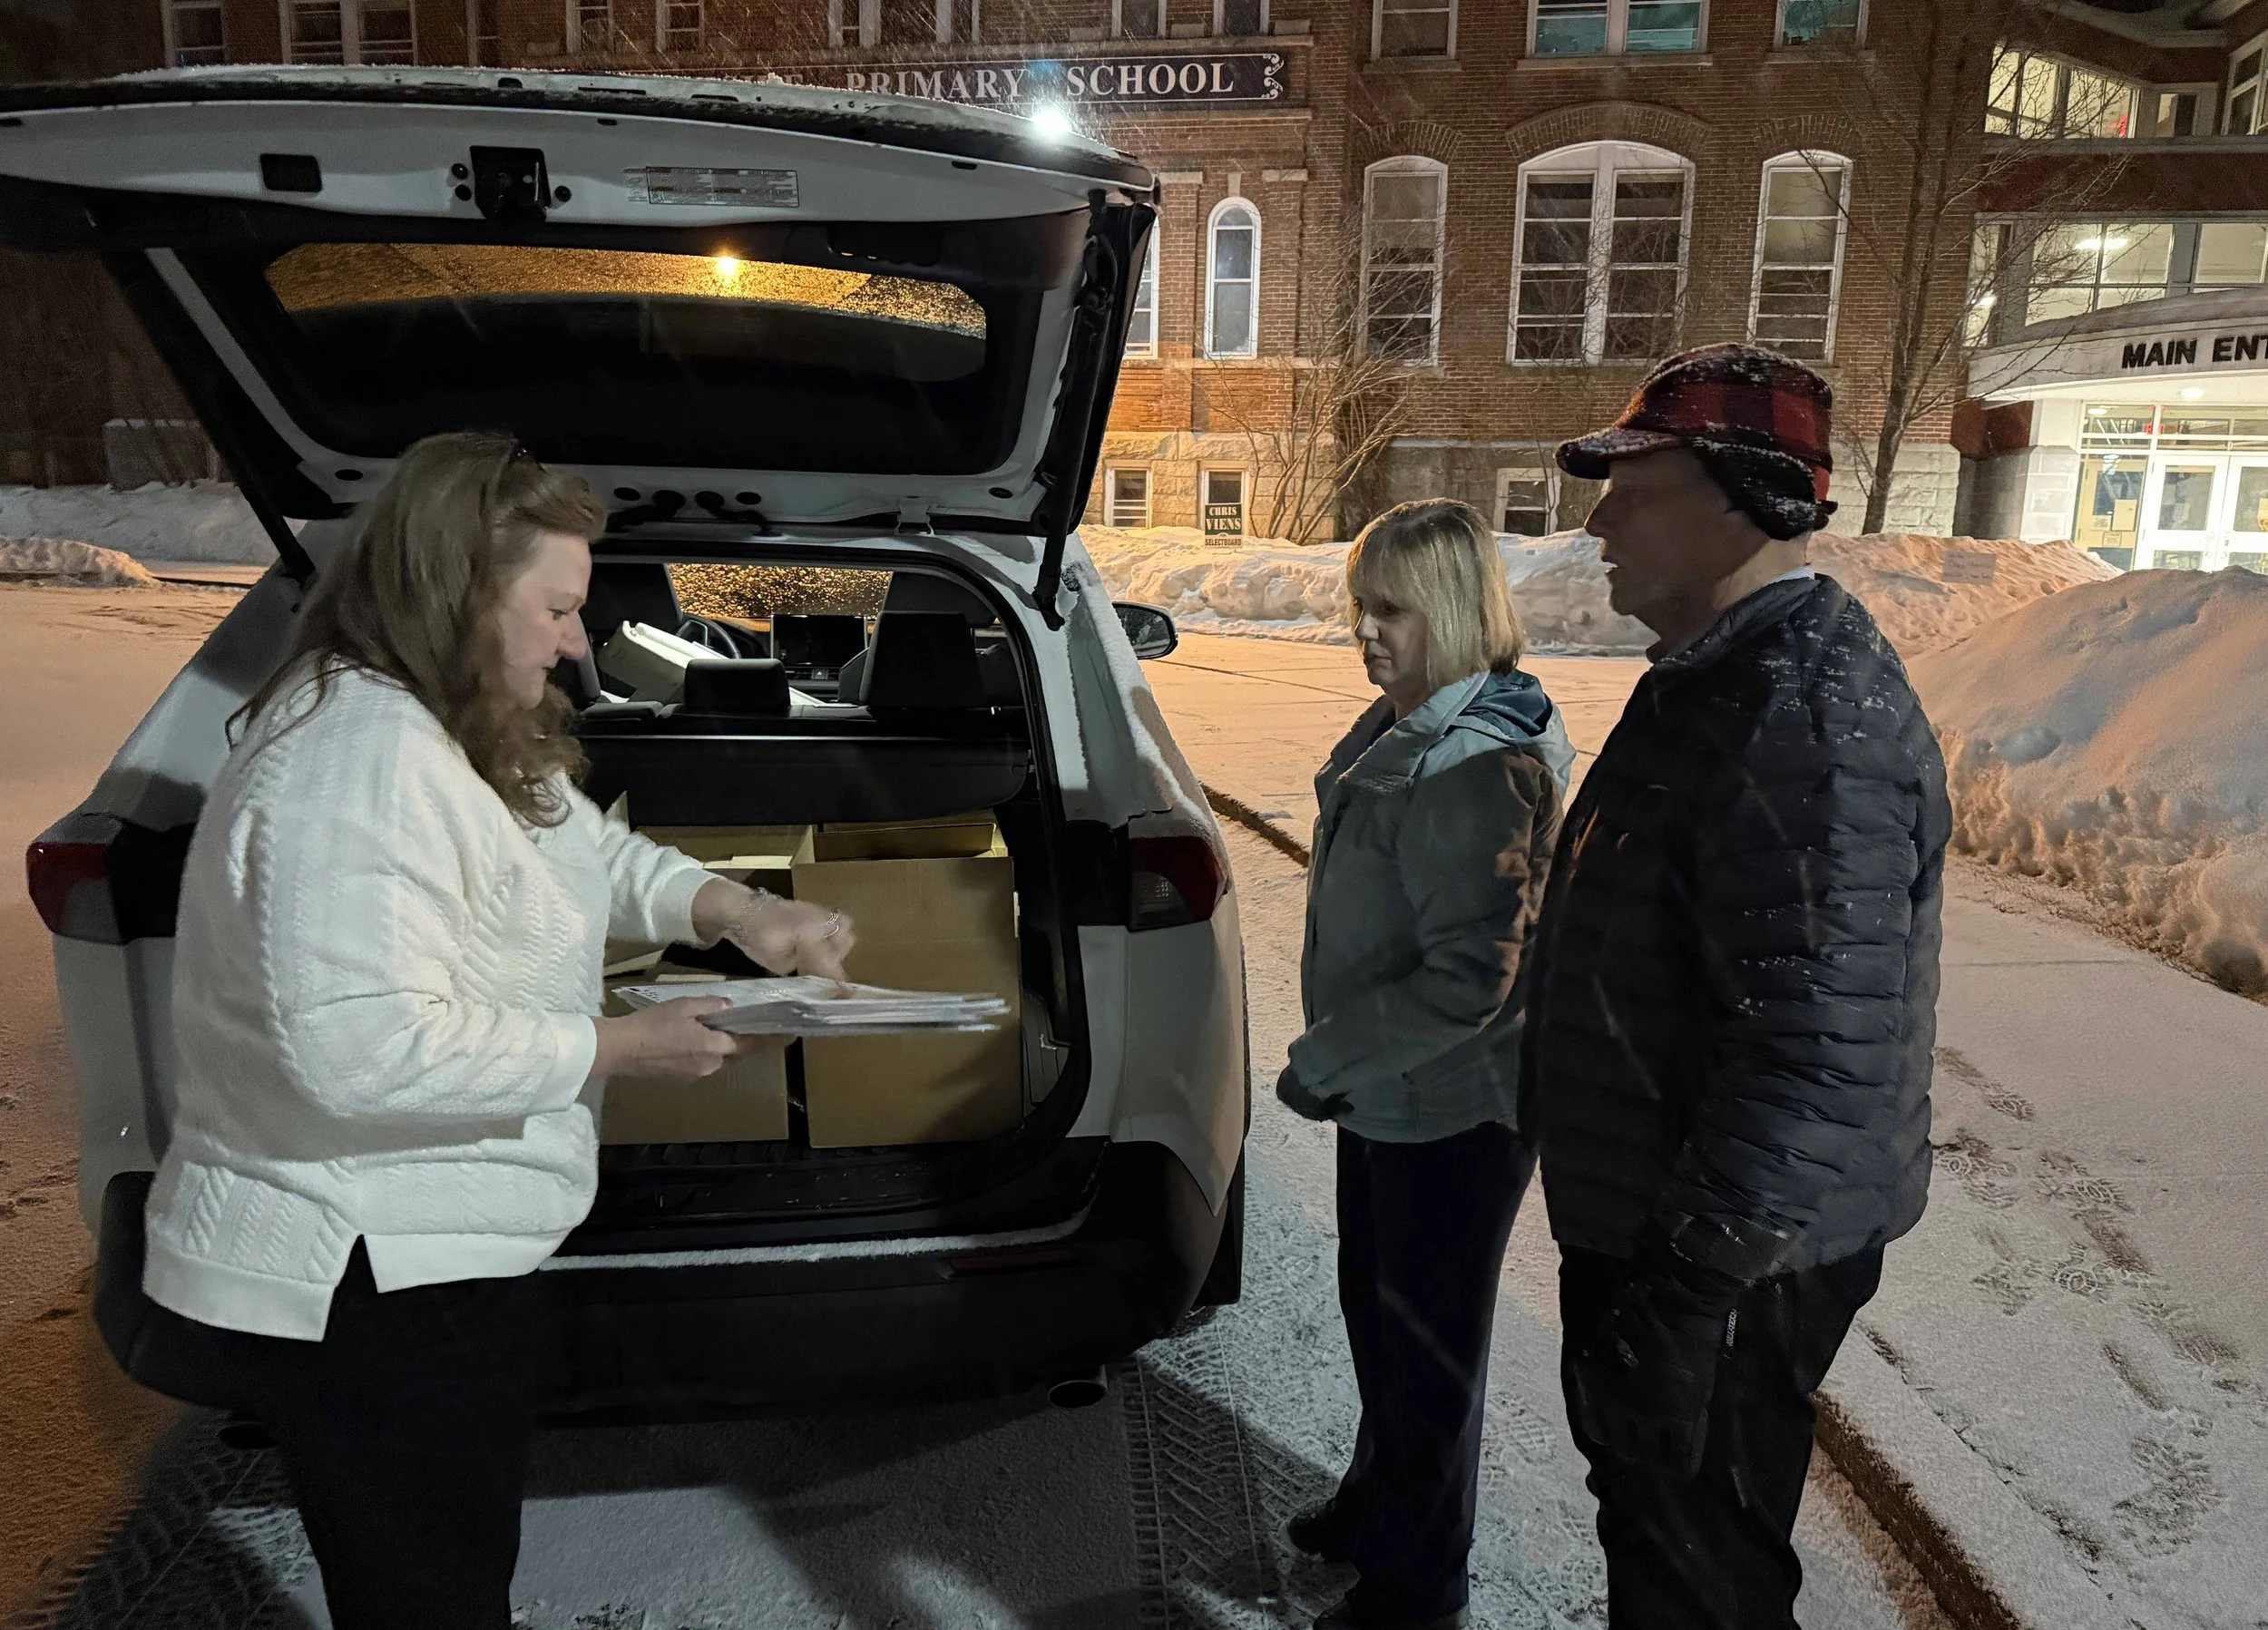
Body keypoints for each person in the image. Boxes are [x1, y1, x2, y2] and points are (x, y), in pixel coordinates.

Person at [142, 432, 856, 1629]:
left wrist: (737, 907)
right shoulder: (356, 763)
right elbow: (358, 1053)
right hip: (370, 1272)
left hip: (435, 1249)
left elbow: (588, 850)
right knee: (427, 1595)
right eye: (561, 607)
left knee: (447, 1572)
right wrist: (616, 1047)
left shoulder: (448, 725)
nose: (580, 639)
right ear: (462, 593)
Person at [1523, 344, 1952, 1628]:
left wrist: (1685, 1297)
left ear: (1735, 494)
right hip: (1679, 1235)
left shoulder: (1800, 718)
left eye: (1633, 487)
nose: (1597, 517)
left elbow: (1816, 1052)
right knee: (1662, 1537)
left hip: (1717, 1259)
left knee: (1696, 1573)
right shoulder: (1727, 678)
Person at [1274, 499, 1576, 1630]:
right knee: (1379, 1318)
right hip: (1394, 1091)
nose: (1366, 632)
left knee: (1430, 1358)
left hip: (1453, 1108)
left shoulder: (1473, 764)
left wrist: (1328, 1058)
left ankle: (1416, 1590)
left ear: (1450, 612)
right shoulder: (1409, 724)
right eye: (1360, 606)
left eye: (1391, 610)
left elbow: (1470, 976)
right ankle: (1379, 1502)